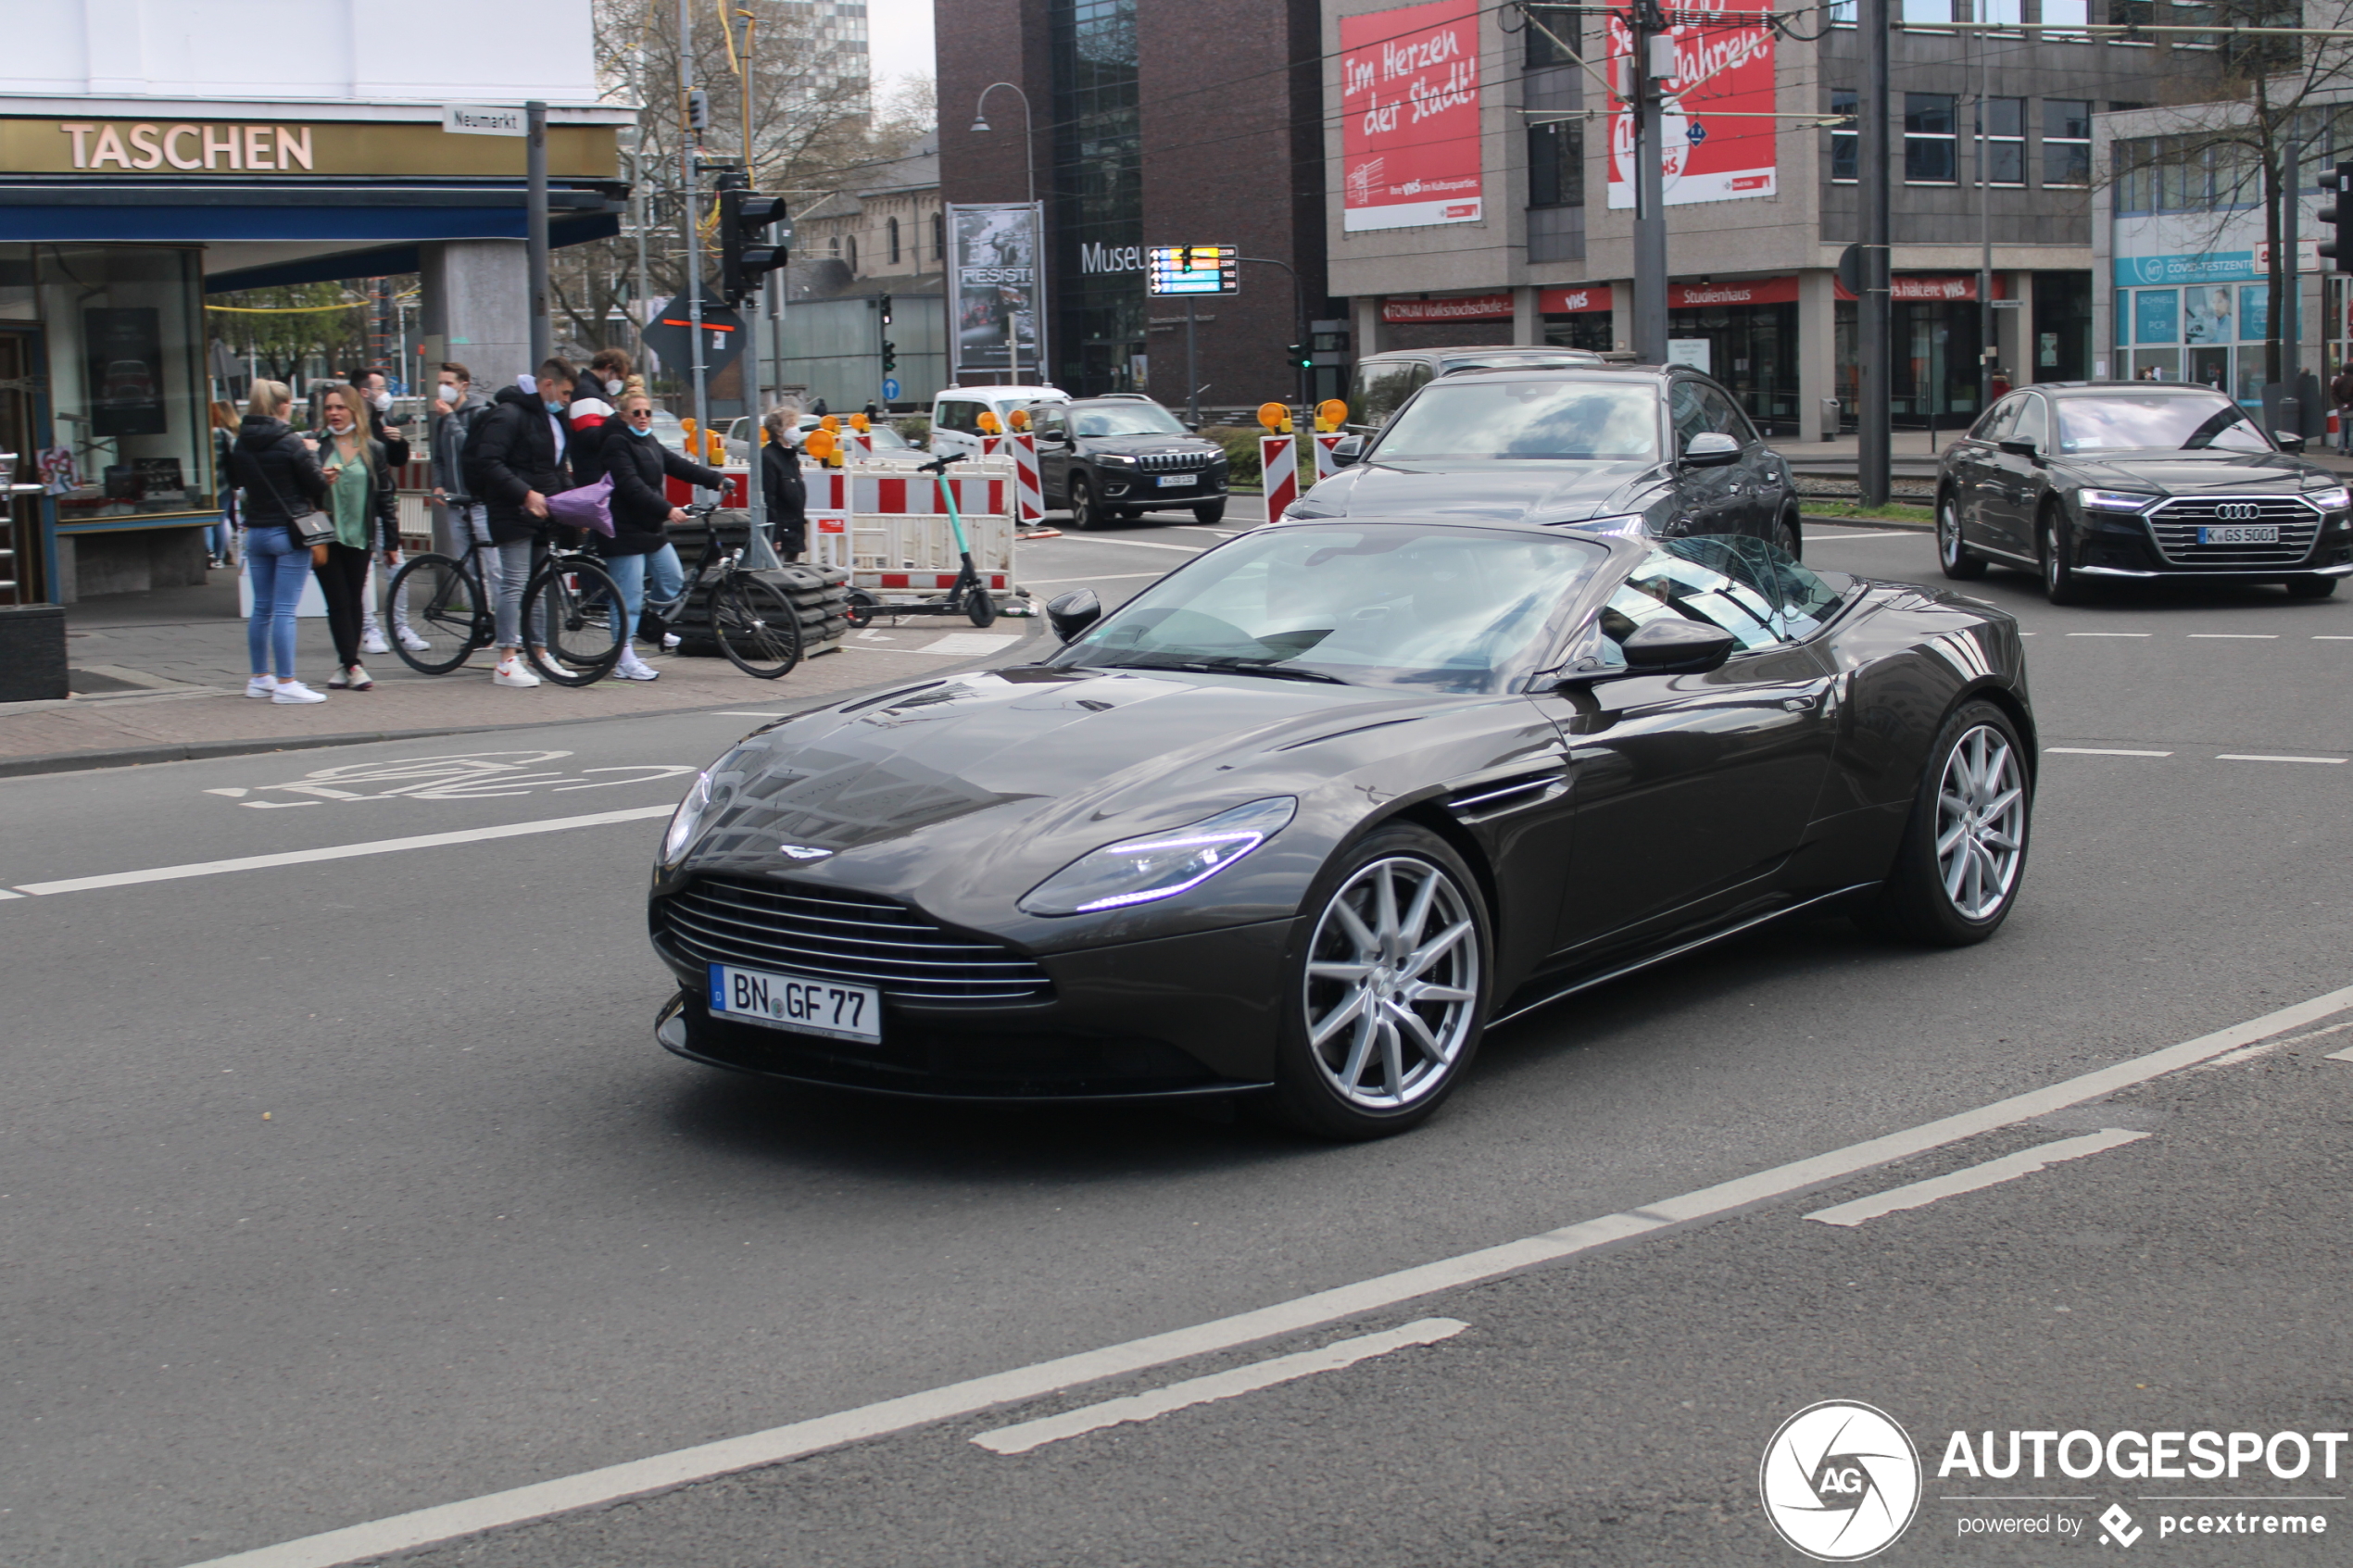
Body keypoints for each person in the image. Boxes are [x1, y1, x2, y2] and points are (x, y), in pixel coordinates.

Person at [464, 359, 578, 688]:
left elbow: (552, 469)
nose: (567, 400)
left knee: (538, 586)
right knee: (515, 583)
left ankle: (539, 653)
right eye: (565, 392)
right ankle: (506, 658)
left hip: (538, 509)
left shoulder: (546, 418)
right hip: (513, 509)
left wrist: (570, 502)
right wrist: (526, 494)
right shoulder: (511, 413)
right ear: (547, 386)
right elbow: (489, 461)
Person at [604, 392, 725, 681]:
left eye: (647, 412)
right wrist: (667, 509)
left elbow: (677, 465)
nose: (643, 417)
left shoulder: (649, 441)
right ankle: (623, 657)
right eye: (636, 413)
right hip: (623, 529)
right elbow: (631, 486)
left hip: (650, 527)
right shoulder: (615, 443)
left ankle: (649, 623)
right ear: (624, 416)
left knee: (672, 580)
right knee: (628, 597)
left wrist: (715, 479)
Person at [225, 382, 330, 705]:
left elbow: (235, 481)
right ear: (282, 406)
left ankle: (260, 677)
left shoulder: (242, 443)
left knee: (263, 609)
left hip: (255, 533)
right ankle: (287, 682)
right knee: (285, 610)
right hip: (289, 531)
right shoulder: (291, 441)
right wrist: (317, 463)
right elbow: (316, 484)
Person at [308, 382, 393, 691]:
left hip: (359, 535)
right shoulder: (317, 446)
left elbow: (385, 497)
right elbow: (304, 490)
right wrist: (320, 480)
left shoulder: (373, 449)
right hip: (325, 536)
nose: (334, 413)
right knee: (338, 600)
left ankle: (347, 664)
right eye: (329, 408)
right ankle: (353, 664)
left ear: (354, 410)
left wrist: (392, 542)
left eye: (340, 407)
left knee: (354, 598)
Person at [340, 368, 422, 657]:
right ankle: (367, 628)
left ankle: (399, 627)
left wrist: (399, 442)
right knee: (361, 573)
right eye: (380, 387)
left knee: (396, 566)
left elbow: (393, 462)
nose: (385, 392)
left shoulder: (379, 422)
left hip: (381, 506)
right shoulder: (354, 427)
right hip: (357, 511)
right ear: (365, 392)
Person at [432, 360, 494, 561]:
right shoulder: (442, 420)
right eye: (440, 383)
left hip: (479, 503)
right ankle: (473, 594)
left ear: (463, 386)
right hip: (455, 503)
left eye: (449, 383)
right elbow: (439, 457)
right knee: (466, 564)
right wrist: (438, 484)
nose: (443, 388)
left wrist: (450, 418)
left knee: (493, 565)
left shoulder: (480, 413)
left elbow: (471, 448)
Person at [760, 403, 808, 560]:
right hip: (783, 531)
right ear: (779, 431)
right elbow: (769, 498)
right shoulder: (768, 457)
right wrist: (775, 535)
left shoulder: (790, 456)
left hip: (794, 529)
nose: (796, 429)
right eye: (791, 424)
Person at [207, 400, 241, 568]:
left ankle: (209, 552)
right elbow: (237, 455)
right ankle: (219, 557)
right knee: (220, 520)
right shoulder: (224, 433)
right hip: (224, 483)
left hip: (205, 484)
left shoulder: (201, 433)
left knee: (205, 520)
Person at [2331, 364, 2353, 453]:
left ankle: (2341, 448)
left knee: (2342, 429)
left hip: (2341, 407)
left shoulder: (2338, 380)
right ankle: (2351, 449)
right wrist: (2349, 405)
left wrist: (2341, 405)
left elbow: (2333, 393)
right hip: (2351, 407)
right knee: (2352, 430)